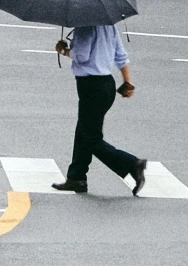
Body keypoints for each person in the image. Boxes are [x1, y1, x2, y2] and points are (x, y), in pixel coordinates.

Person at [51, 21, 147, 195]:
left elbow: (81, 55)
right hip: (106, 85)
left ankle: (132, 164)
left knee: (90, 138)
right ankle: (76, 177)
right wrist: (128, 81)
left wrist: (63, 50)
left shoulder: (85, 26)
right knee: (83, 131)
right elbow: (121, 56)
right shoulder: (109, 25)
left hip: (91, 86)